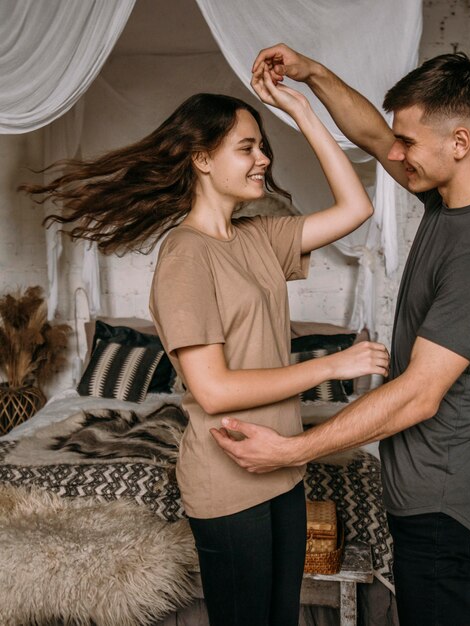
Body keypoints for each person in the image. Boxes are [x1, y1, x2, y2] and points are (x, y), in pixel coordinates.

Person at [20, 71, 390, 626]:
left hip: (285, 470)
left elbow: (355, 208)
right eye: (247, 147)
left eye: (263, 146)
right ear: (201, 159)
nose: (262, 158)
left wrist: (302, 110)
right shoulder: (185, 257)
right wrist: (333, 364)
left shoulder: (259, 236)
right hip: (229, 480)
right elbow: (213, 390)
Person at [212, 45, 470, 626]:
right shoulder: (451, 197)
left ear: (460, 143)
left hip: (447, 509)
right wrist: (312, 72)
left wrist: (291, 452)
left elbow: (419, 394)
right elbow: (372, 136)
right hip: (437, 495)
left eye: (409, 144)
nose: (396, 154)